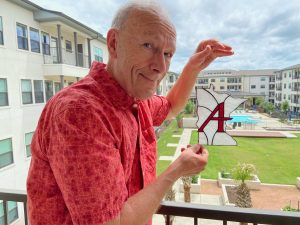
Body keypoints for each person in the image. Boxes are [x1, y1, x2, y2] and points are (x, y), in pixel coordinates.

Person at [27, 2, 233, 225]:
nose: (161, 66)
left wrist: (193, 67)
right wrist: (177, 169)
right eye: (148, 45)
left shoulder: (136, 100)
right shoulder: (81, 112)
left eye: (167, 54)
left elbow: (171, 107)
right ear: (114, 44)